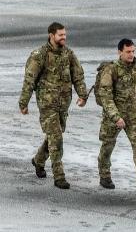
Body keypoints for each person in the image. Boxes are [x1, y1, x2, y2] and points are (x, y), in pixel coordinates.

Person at [19, 22, 88, 189]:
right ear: (51, 35)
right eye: (60, 35)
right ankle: (59, 176)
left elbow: (77, 75)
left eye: (65, 34)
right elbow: (29, 80)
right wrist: (24, 102)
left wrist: (82, 95)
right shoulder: (39, 55)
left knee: (53, 136)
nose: (64, 37)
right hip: (47, 104)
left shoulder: (69, 54)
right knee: (56, 139)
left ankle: (38, 160)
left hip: (63, 104)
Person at [96, 38, 136, 194]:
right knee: (107, 146)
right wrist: (116, 117)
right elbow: (105, 95)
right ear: (120, 52)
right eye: (128, 52)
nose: (131, 54)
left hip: (134, 116)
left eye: (133, 51)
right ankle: (104, 175)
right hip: (113, 117)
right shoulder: (111, 70)